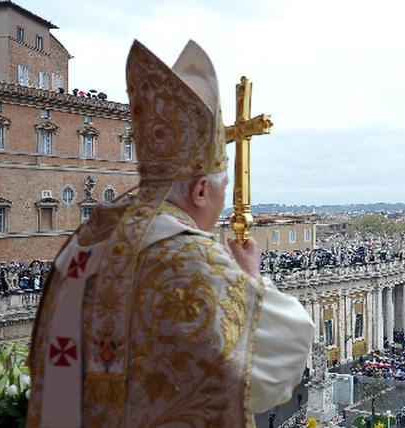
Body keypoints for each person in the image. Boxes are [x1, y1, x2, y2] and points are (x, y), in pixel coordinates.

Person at [27, 40, 314, 427]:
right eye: (221, 187)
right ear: (199, 190)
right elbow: (282, 359)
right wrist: (251, 277)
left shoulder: (86, 240)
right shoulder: (190, 258)